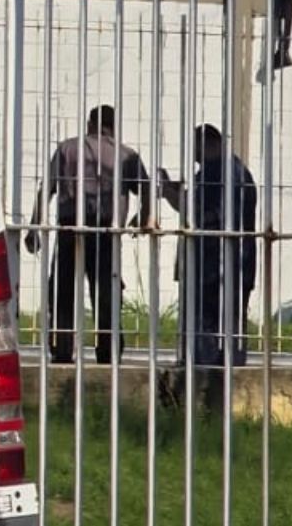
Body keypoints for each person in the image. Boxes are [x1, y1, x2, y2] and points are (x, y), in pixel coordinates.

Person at [27, 104, 155, 364]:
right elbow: (147, 189)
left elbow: (46, 190)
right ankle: (108, 352)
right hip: (107, 230)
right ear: (113, 126)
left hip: (69, 226)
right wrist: (143, 218)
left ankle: (62, 349)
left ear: (90, 123)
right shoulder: (124, 155)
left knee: (63, 291)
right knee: (106, 292)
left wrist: (33, 228)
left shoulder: (67, 148)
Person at [158, 124, 258, 369]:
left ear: (210, 144)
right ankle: (227, 378)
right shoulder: (236, 170)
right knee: (231, 326)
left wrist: (169, 192)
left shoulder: (217, 173)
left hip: (212, 262)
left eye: (196, 145)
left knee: (206, 325)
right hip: (237, 260)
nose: (192, 152)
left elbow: (197, 214)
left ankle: (206, 381)